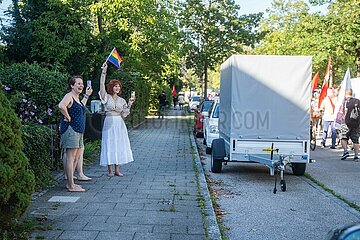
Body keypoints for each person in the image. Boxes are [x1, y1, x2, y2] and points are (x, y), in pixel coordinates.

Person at [99, 63, 135, 176]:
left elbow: (124, 114)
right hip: (109, 121)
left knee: (119, 143)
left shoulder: (122, 100)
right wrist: (104, 72)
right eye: (115, 86)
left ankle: (117, 170)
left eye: (119, 86)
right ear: (111, 87)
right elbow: (101, 85)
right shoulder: (106, 97)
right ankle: (109, 170)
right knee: (109, 143)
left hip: (119, 123)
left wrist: (129, 104)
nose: (117, 88)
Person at [59, 76, 93, 192]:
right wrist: (68, 117)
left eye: (82, 84)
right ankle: (71, 185)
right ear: (72, 85)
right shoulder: (69, 96)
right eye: (78, 83)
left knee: (77, 156)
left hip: (79, 131)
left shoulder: (77, 98)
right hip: (71, 129)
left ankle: (71, 182)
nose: (81, 86)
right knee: (71, 157)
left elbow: (81, 107)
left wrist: (87, 95)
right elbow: (61, 106)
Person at [340, 89, 360, 161]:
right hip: (356, 123)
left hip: (346, 122)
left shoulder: (345, 101)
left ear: (346, 94)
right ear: (352, 93)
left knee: (343, 137)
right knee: (355, 140)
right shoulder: (357, 101)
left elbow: (342, 112)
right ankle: (356, 155)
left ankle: (345, 151)